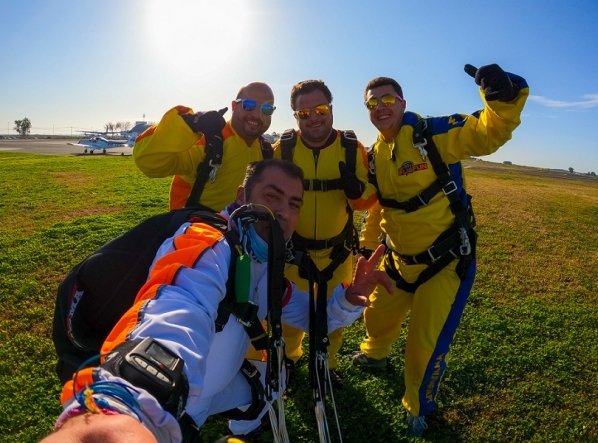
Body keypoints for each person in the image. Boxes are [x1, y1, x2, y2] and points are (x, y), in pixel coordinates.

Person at [40, 159, 393, 443]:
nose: (283, 212)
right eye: (272, 197)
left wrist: (349, 299)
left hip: (209, 391)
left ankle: (244, 428)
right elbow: (178, 306)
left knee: (278, 376)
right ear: (242, 196)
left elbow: (310, 316)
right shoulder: (208, 243)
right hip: (172, 404)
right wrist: (128, 402)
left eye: (293, 204)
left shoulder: (263, 262)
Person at [350, 64, 529, 437]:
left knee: (424, 346)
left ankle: (417, 405)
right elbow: (380, 207)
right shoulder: (375, 155)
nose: (380, 107)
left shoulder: (432, 134)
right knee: (376, 318)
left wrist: (502, 95)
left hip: (444, 262)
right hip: (397, 260)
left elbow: (488, 132)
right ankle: (374, 355)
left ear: (402, 103)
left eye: (387, 99)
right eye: (372, 103)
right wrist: (367, 249)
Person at [273, 80, 377, 384]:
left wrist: (356, 192)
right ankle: (287, 361)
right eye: (304, 113)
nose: (314, 118)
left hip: (337, 253)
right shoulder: (284, 149)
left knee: (335, 315)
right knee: (287, 314)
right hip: (292, 252)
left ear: (331, 108)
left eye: (320, 109)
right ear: (295, 116)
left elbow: (367, 199)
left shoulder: (352, 148)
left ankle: (326, 365)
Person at [133, 81, 276, 212]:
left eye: (266, 109)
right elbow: (147, 162)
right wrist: (190, 123)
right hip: (197, 228)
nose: (256, 115)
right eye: (249, 105)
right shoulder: (208, 140)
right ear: (234, 106)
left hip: (243, 230)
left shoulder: (266, 151)